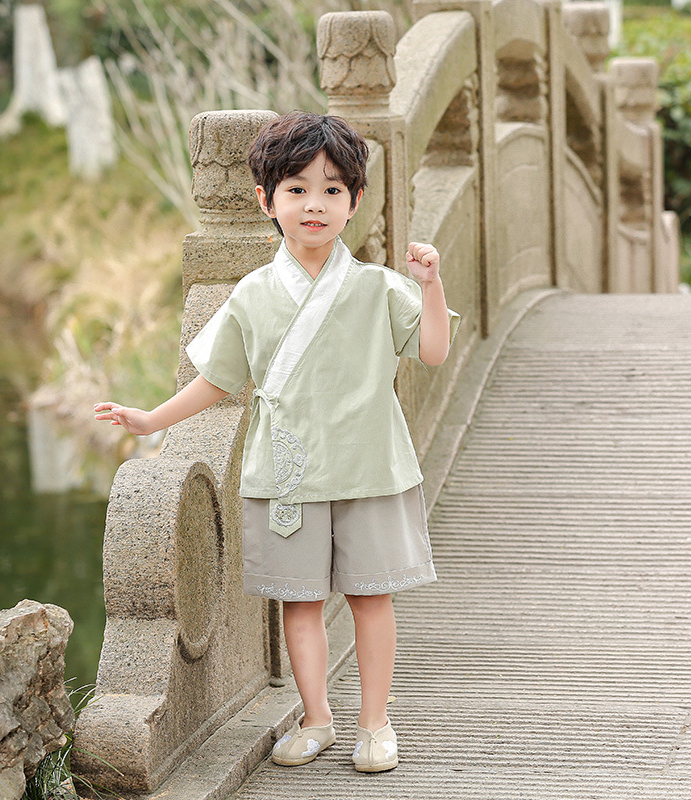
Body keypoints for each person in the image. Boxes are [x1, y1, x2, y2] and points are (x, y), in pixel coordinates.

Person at [94, 111, 459, 773]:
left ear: (354, 202)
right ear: (266, 200)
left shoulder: (378, 287)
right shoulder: (252, 295)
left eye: (331, 189)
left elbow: (432, 351)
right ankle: (316, 717)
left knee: (373, 598)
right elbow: (218, 380)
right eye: (296, 189)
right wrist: (152, 419)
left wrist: (430, 285)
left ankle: (375, 724)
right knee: (300, 602)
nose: (313, 204)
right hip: (287, 473)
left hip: (370, 465)